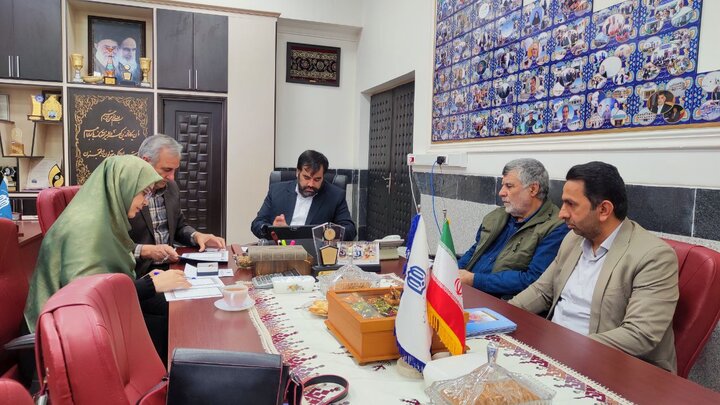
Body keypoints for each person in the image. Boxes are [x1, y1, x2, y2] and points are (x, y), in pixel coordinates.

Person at [509, 162, 679, 373]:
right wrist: (498, 318)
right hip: (554, 353)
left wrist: (567, 350)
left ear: (604, 210)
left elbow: (640, 334)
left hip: (613, 367)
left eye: (571, 204)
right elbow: (542, 291)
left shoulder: (653, 256)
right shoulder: (573, 239)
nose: (562, 214)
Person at [24, 156, 191, 335]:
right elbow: (86, 300)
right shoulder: (84, 229)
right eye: (144, 193)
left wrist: (145, 281)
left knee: (173, 314)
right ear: (123, 187)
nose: (146, 202)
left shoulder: (104, 221)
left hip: (88, 321)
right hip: (61, 333)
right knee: (167, 326)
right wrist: (149, 284)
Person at [458, 159, 569, 298]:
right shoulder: (497, 216)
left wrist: (474, 280)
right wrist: (453, 270)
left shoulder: (555, 228)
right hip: (465, 290)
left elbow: (533, 279)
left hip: (501, 301)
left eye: (509, 186)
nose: (501, 192)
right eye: (502, 185)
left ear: (533, 189)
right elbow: (475, 250)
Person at [130, 134, 226, 278]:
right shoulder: (125, 191)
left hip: (171, 267)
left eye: (175, 170)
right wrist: (147, 251)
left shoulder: (171, 187)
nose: (172, 177)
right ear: (146, 162)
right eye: (167, 170)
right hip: (138, 274)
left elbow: (179, 227)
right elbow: (111, 246)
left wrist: (197, 236)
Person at [251, 150, 356, 241]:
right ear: (298, 172)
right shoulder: (277, 191)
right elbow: (257, 223)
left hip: (313, 253)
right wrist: (272, 229)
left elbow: (350, 230)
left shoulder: (335, 196)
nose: (311, 184)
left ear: (323, 176)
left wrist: (327, 233)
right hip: (281, 250)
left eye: (317, 179)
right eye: (306, 177)